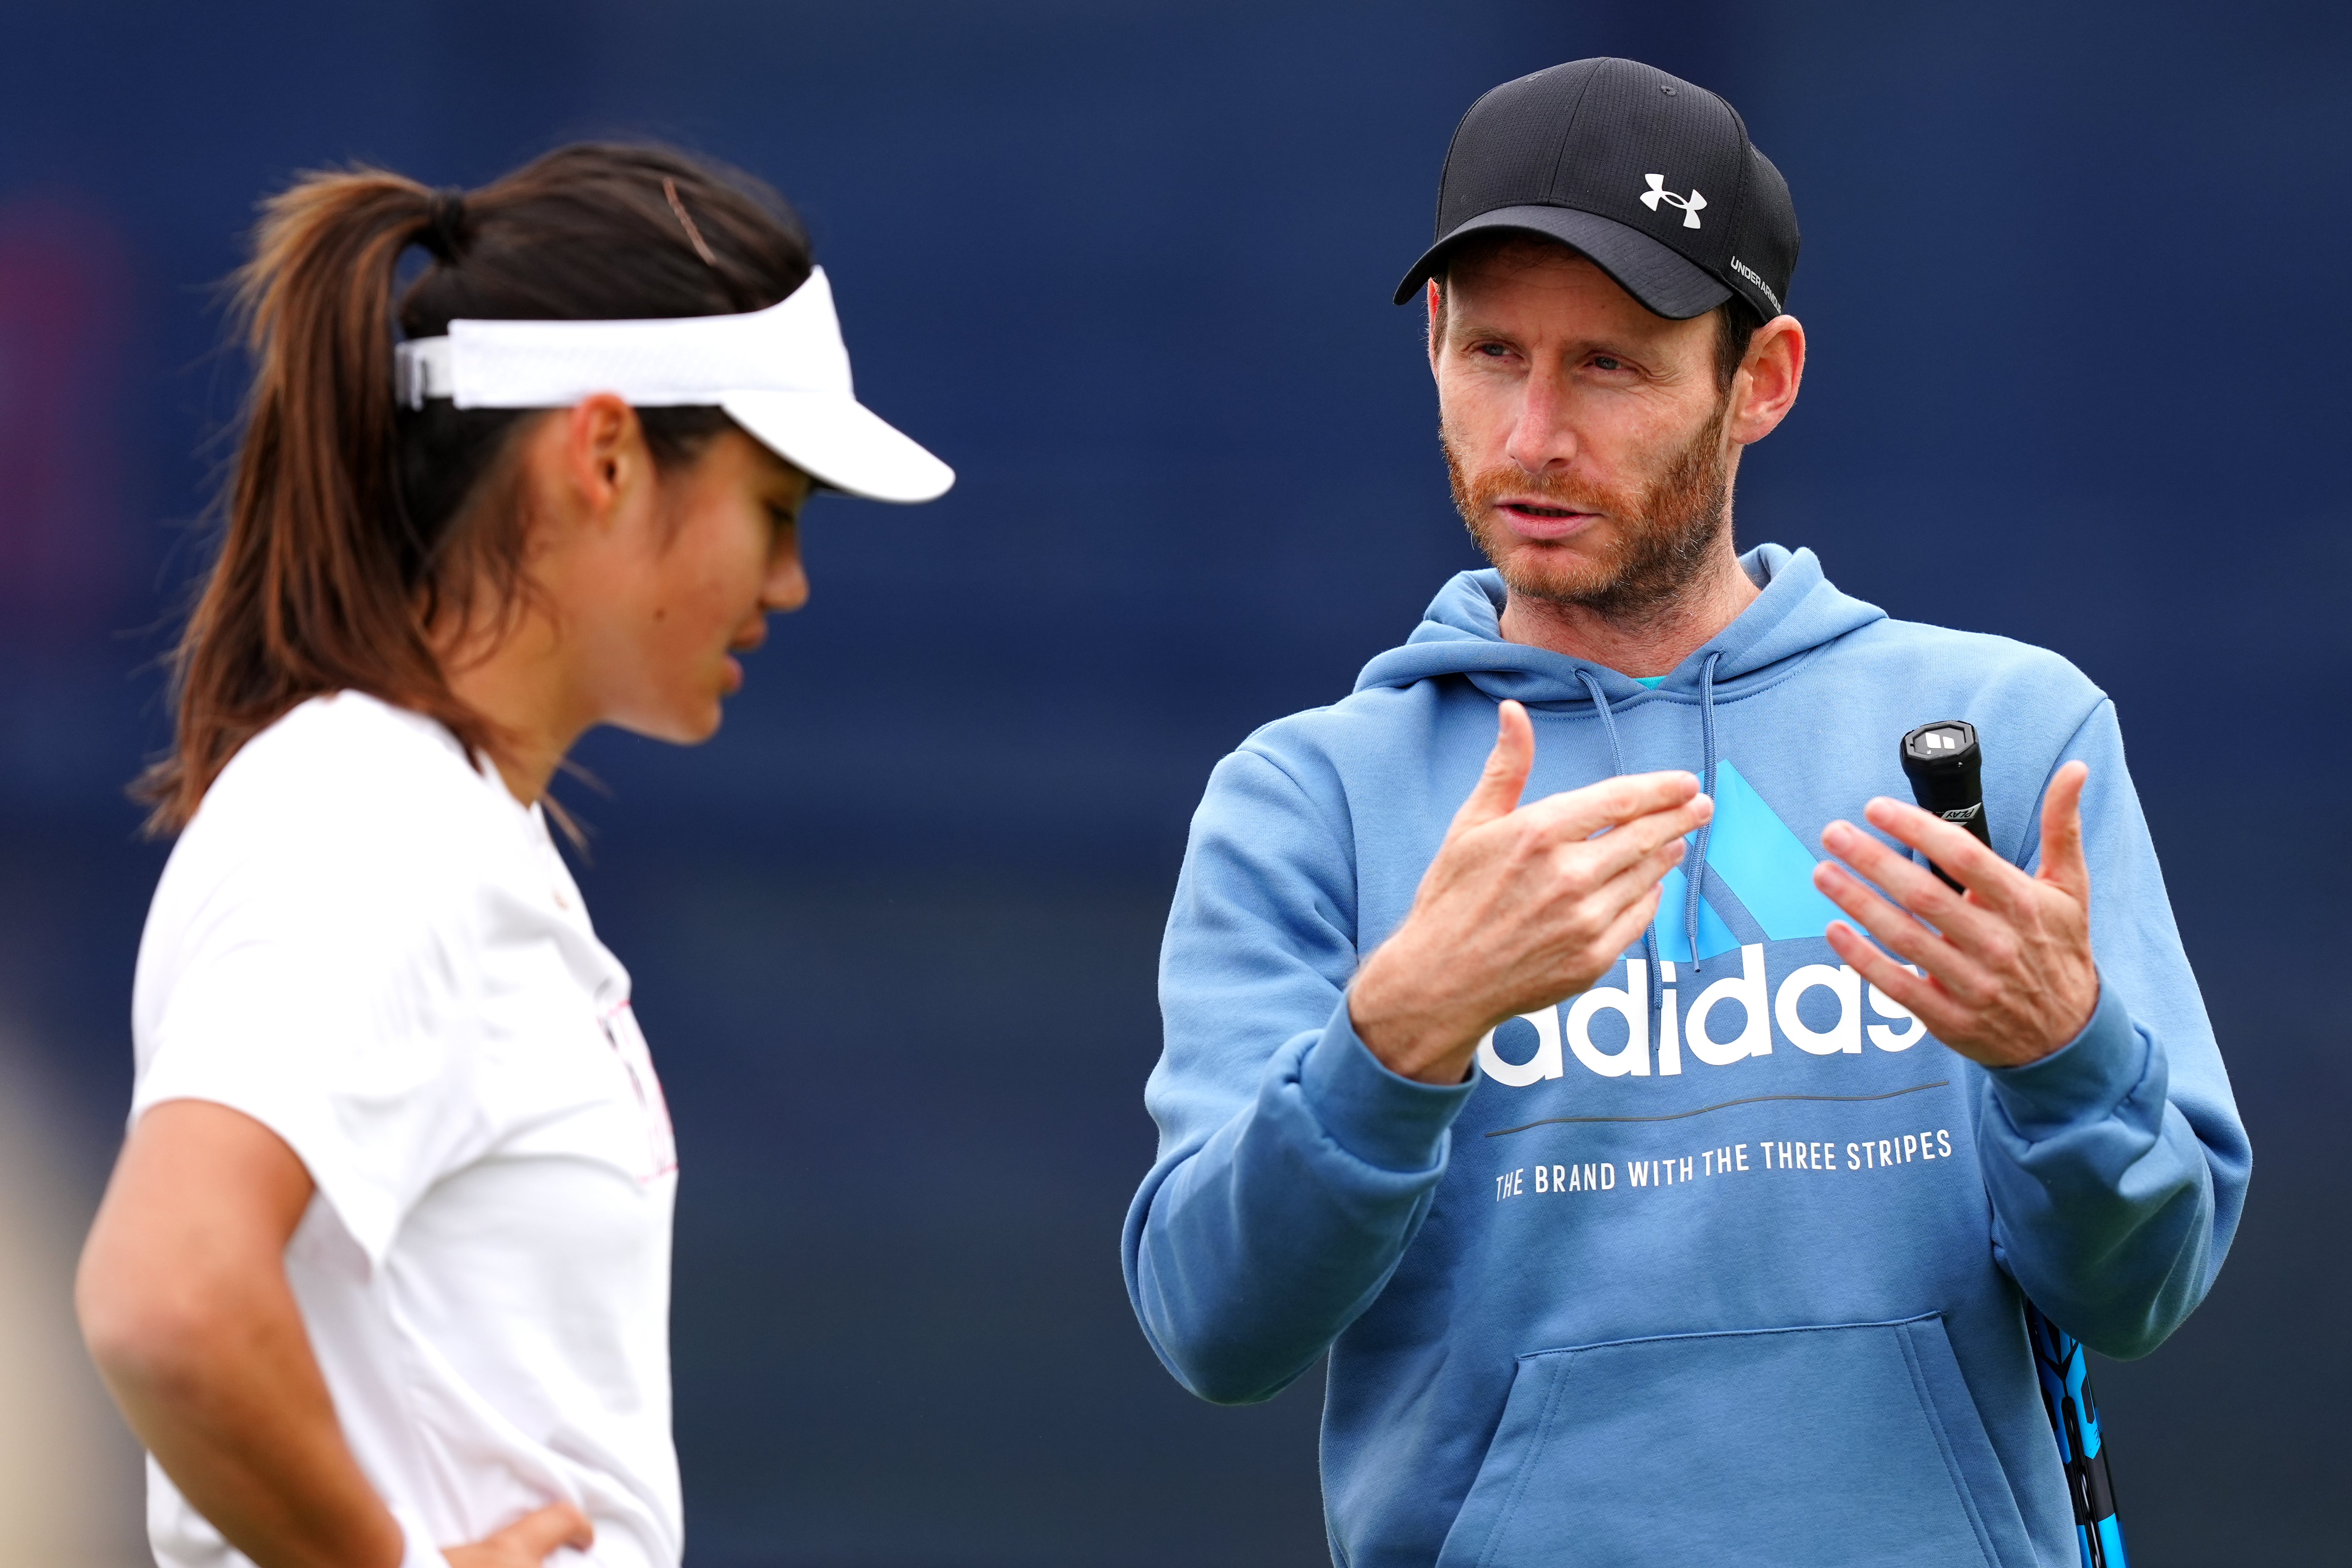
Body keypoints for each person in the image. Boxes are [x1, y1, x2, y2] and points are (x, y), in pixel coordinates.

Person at [1122, 57, 2247, 1568]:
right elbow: (1214, 1322)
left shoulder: (2005, 733)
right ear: (1435, 344)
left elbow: (2147, 1286)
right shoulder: (1310, 797)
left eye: (1611, 366)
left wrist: (2065, 1054)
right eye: (1494, 352)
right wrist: (1399, 1037)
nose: (1532, 435)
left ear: (1762, 379)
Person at [75, 144, 951, 1568]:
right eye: (776, 508)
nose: (789, 580)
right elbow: (165, 1292)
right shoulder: (373, 818)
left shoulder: (431, 819)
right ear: (603, 454)